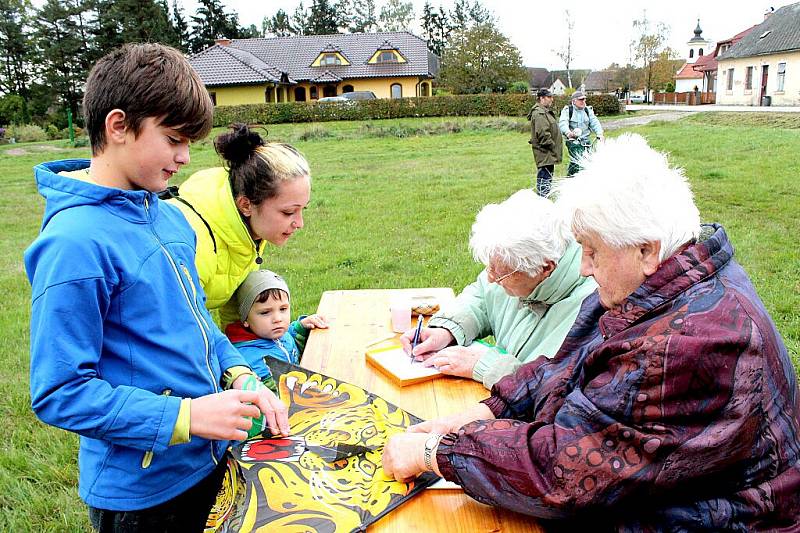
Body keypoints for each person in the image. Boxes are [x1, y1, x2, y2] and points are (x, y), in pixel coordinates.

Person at [382, 134, 800, 530]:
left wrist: (437, 452)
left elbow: (562, 474)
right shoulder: (660, 288)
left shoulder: (689, 342)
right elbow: (565, 369)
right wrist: (483, 413)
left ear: (647, 249)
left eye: (592, 251)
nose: (583, 267)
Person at [24, 44, 290, 533]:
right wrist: (185, 416)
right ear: (118, 126)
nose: (185, 158)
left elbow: (193, 318)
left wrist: (236, 372)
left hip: (208, 461)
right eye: (173, 139)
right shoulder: (73, 244)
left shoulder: (168, 215)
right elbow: (60, 391)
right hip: (141, 496)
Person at [399, 190, 596, 389]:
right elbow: (482, 296)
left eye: (500, 275)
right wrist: (447, 330)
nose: (491, 279)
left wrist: (486, 366)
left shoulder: (592, 307)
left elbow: (556, 388)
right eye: (489, 268)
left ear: (546, 268)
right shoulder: (521, 266)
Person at [167, 124, 311, 327]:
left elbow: (235, 312)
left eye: (303, 209)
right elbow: (183, 330)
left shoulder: (248, 228)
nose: (299, 223)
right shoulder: (193, 244)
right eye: (288, 212)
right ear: (246, 205)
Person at [225, 269, 328, 392]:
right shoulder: (247, 359)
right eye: (265, 312)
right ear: (245, 319)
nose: (277, 319)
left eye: (283, 309)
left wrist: (301, 329)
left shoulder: (277, 334)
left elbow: (289, 343)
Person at [558, 90, 604, 176]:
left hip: (586, 141)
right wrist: (568, 133)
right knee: (578, 161)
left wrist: (599, 134)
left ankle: (572, 178)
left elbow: (594, 122)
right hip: (573, 141)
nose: (583, 102)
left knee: (587, 161)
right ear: (574, 101)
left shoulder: (587, 110)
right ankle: (573, 180)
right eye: (580, 100)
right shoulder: (568, 110)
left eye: (584, 100)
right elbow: (563, 123)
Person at [527, 88, 562, 197]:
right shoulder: (539, 113)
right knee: (544, 180)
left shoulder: (545, 111)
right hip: (545, 152)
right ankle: (542, 204)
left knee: (547, 179)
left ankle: (543, 201)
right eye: (549, 97)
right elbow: (542, 133)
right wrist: (552, 146)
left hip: (548, 153)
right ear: (541, 98)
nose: (552, 99)